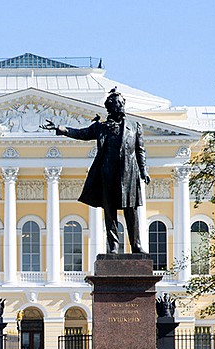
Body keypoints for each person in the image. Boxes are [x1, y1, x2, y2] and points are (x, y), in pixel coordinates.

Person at [43, 88, 150, 254]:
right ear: (110, 108)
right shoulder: (101, 127)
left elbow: (140, 149)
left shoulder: (134, 126)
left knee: (131, 210)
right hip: (107, 173)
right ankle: (114, 246)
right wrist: (62, 129)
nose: (121, 107)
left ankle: (136, 245)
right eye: (117, 104)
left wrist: (144, 171)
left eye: (122, 104)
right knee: (109, 212)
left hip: (128, 174)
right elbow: (82, 133)